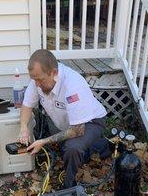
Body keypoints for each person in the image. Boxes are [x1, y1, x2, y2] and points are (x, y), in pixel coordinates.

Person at [18, 49, 107, 188]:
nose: (36, 84)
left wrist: (43, 141)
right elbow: (27, 105)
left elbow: (77, 130)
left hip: (90, 122)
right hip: (66, 123)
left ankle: (69, 185)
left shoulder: (73, 85)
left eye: (40, 80)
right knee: (64, 147)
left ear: (54, 72)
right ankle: (97, 148)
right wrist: (23, 127)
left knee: (72, 148)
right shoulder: (38, 80)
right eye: (33, 80)